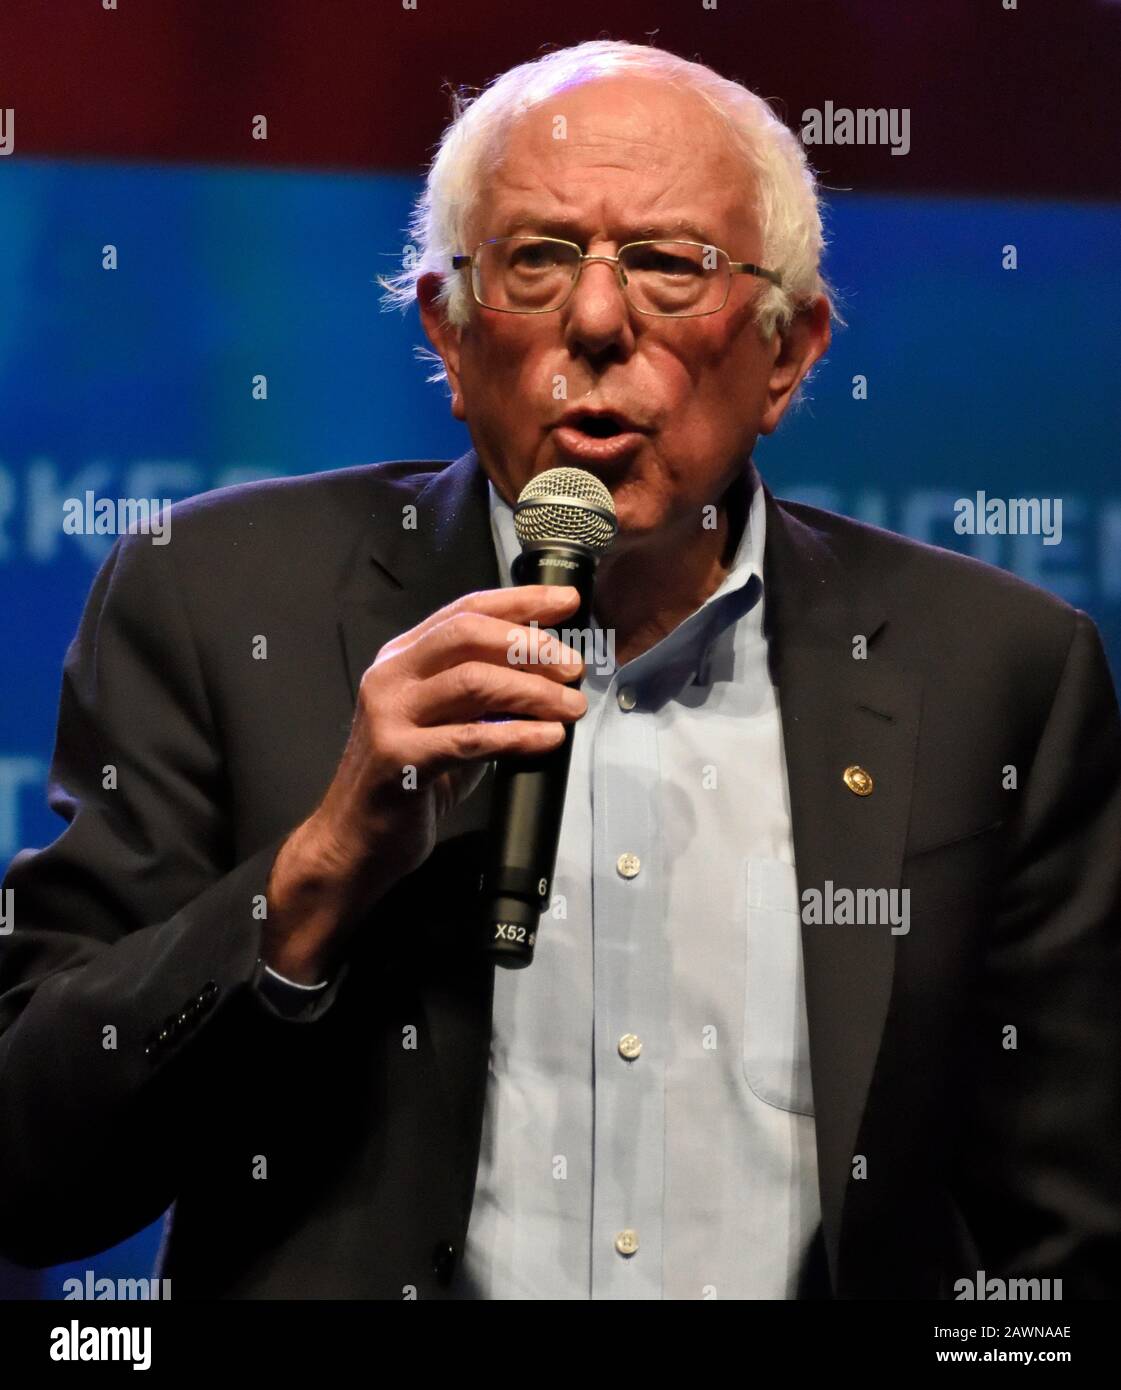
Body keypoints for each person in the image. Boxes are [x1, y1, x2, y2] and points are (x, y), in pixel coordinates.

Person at [1, 39, 1118, 1300]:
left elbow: (1059, 1247)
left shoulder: (994, 672)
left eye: (666, 262)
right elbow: (35, 1167)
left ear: (789, 351)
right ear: (448, 330)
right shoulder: (212, 602)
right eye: (534, 261)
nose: (594, 321)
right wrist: (318, 870)